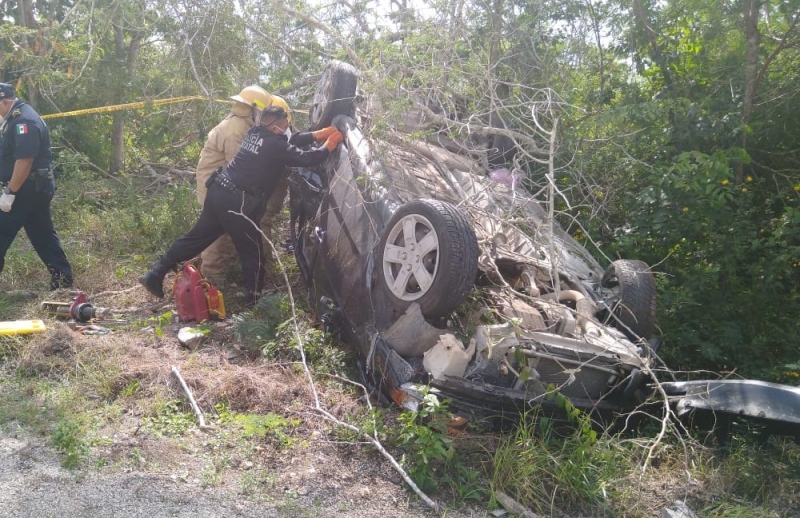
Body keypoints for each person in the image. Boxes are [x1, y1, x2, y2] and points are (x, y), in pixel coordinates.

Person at [140, 106, 342, 305]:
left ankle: (156, 272)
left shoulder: (254, 132)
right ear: (275, 128)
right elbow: (308, 158)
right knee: (252, 252)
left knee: (197, 238)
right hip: (238, 203)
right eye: (285, 126)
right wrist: (330, 143)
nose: (287, 129)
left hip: (219, 190)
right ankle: (255, 302)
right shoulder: (275, 145)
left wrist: (317, 135)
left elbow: (291, 141)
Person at [196, 85, 273, 283]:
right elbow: (240, 167)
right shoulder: (237, 130)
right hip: (217, 189)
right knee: (218, 236)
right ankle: (212, 280)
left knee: (225, 232)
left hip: (221, 186)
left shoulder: (241, 124)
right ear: (255, 109)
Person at [0, 82, 73, 290]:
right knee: (42, 235)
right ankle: (63, 281)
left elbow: (25, 161)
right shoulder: (16, 117)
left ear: (5, 102)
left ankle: (63, 281)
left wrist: (10, 192)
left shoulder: (24, 121)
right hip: (33, 188)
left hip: (26, 189)